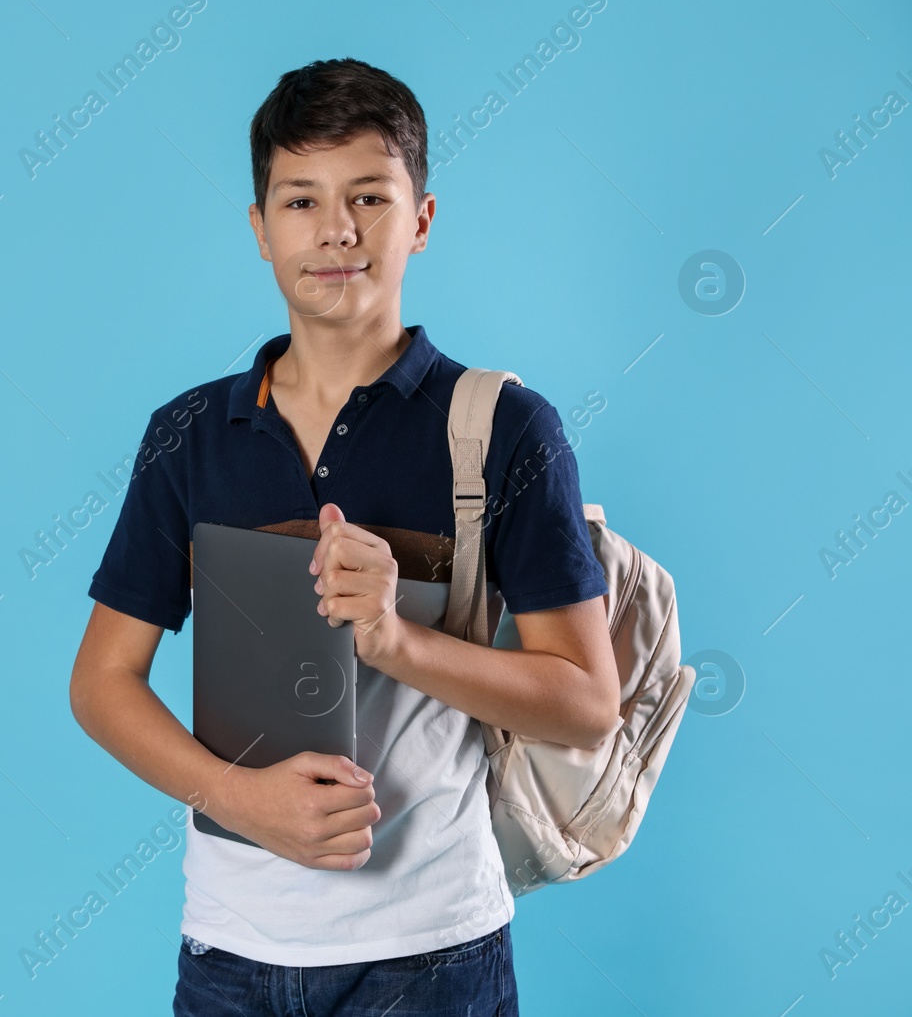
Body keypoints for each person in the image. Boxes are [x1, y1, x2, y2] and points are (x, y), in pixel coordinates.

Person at [68, 58, 618, 1016]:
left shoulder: (503, 429)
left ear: (422, 219)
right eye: (300, 200)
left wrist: (401, 640)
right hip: (229, 954)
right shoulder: (188, 434)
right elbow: (103, 681)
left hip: (432, 953)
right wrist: (237, 800)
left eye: (370, 195)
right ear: (259, 229)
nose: (336, 230)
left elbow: (584, 702)